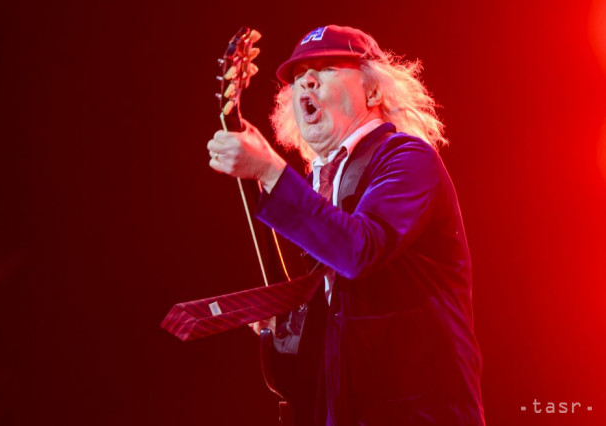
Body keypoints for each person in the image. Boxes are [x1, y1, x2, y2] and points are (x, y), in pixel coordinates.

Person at [207, 25, 485, 426]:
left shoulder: (407, 157)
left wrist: (270, 172)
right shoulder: (320, 184)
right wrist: (290, 320)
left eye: (326, 68)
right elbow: (346, 309)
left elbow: (359, 249)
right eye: (298, 77)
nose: (306, 80)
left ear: (372, 92)